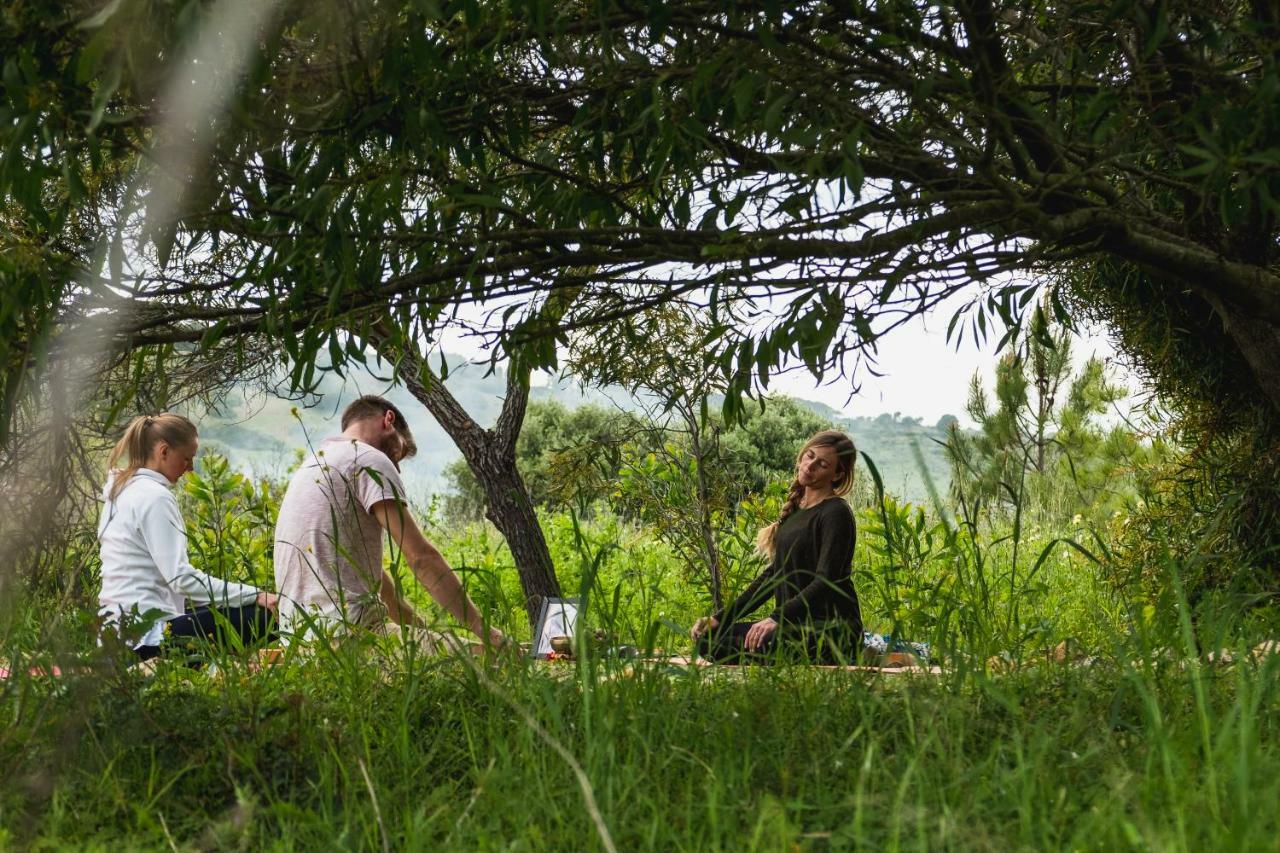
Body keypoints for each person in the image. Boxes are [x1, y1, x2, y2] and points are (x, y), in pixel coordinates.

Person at [273, 395, 508, 652]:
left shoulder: (313, 464)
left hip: (301, 644)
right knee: (494, 660)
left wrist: (421, 630)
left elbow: (374, 581)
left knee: (448, 652)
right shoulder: (367, 458)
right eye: (400, 453)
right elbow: (421, 558)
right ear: (388, 420)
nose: (397, 467)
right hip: (355, 636)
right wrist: (484, 630)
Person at [97, 413, 278, 662]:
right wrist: (254, 594)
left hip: (117, 635)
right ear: (163, 451)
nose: (190, 468)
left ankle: (214, 665)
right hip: (148, 639)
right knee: (266, 615)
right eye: (186, 459)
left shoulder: (121, 491)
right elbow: (180, 578)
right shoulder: (154, 497)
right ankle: (184, 665)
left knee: (225, 608)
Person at [690, 430, 863, 664]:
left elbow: (826, 580)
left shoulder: (836, 513)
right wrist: (720, 618)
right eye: (809, 456)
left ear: (837, 474)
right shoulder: (797, 511)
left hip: (830, 630)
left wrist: (776, 618)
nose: (810, 466)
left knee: (731, 646)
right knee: (709, 638)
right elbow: (773, 576)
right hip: (792, 625)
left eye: (821, 464)